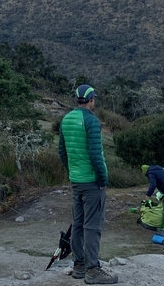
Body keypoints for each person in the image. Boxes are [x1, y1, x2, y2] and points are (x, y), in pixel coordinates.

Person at [58, 84, 116, 285]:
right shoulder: (91, 121)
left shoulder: (66, 119)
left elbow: (62, 153)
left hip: (76, 181)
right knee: (93, 226)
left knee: (78, 223)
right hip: (92, 182)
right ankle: (93, 270)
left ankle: (79, 266)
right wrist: (102, 180)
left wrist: (72, 171)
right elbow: (95, 154)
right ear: (91, 99)